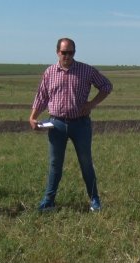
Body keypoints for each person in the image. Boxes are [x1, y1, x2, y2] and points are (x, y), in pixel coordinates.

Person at [29, 37, 112, 212]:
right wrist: (33, 117)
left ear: (74, 52)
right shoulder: (50, 72)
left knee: (86, 162)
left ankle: (94, 200)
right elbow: (42, 96)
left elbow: (106, 86)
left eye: (71, 52)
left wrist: (91, 104)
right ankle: (48, 201)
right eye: (64, 52)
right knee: (55, 164)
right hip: (56, 124)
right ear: (57, 52)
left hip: (80, 125)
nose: (67, 56)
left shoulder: (86, 70)